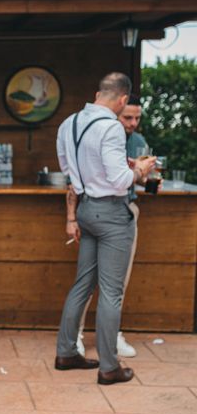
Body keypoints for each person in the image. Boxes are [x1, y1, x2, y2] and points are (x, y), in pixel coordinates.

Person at [55, 72, 156, 385]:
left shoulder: (68, 123)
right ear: (122, 99)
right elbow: (120, 180)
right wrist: (139, 170)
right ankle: (110, 367)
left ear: (99, 93)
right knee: (112, 292)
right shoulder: (111, 126)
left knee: (83, 284)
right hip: (111, 214)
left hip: (85, 208)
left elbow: (66, 168)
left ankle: (66, 352)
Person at [74, 94, 147, 359]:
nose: (133, 123)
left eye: (137, 117)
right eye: (128, 117)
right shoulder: (98, 135)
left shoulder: (137, 142)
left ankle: (112, 336)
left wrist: (145, 178)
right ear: (115, 111)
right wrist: (71, 218)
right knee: (86, 282)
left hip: (125, 210)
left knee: (117, 283)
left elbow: (131, 181)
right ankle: (77, 335)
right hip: (98, 211)